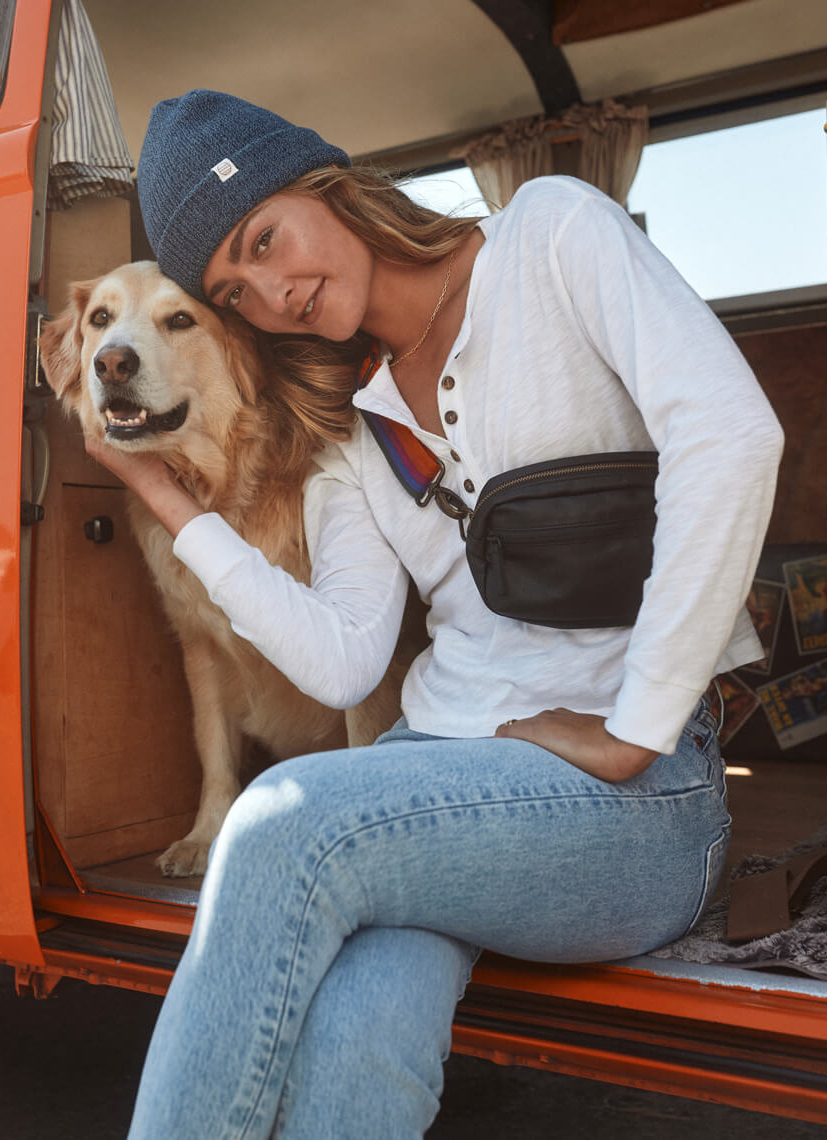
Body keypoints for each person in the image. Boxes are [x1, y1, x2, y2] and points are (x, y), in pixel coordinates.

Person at [92, 91, 783, 1139]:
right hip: (431, 767)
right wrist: (168, 502)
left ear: (321, 179)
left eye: (265, 239)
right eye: (238, 289)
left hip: (637, 797)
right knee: (355, 1032)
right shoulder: (350, 424)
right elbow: (340, 659)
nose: (276, 293)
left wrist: (633, 728)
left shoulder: (551, 234)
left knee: (280, 825)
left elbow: (729, 436)